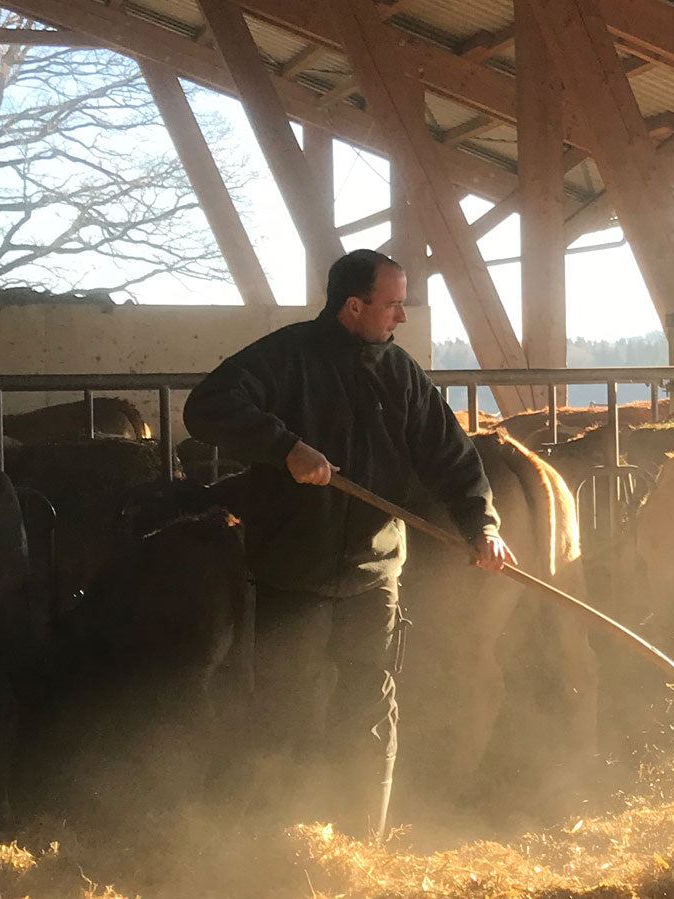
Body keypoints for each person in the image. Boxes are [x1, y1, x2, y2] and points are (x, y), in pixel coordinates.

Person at [183, 249, 516, 835]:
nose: (402, 317)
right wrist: (283, 446)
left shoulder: (400, 373)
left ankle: (362, 841)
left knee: (370, 706)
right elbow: (205, 407)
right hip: (294, 569)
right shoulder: (284, 357)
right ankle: (281, 839)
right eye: (393, 304)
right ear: (354, 306)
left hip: (373, 571)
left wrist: (481, 526)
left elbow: (451, 454)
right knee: (287, 703)